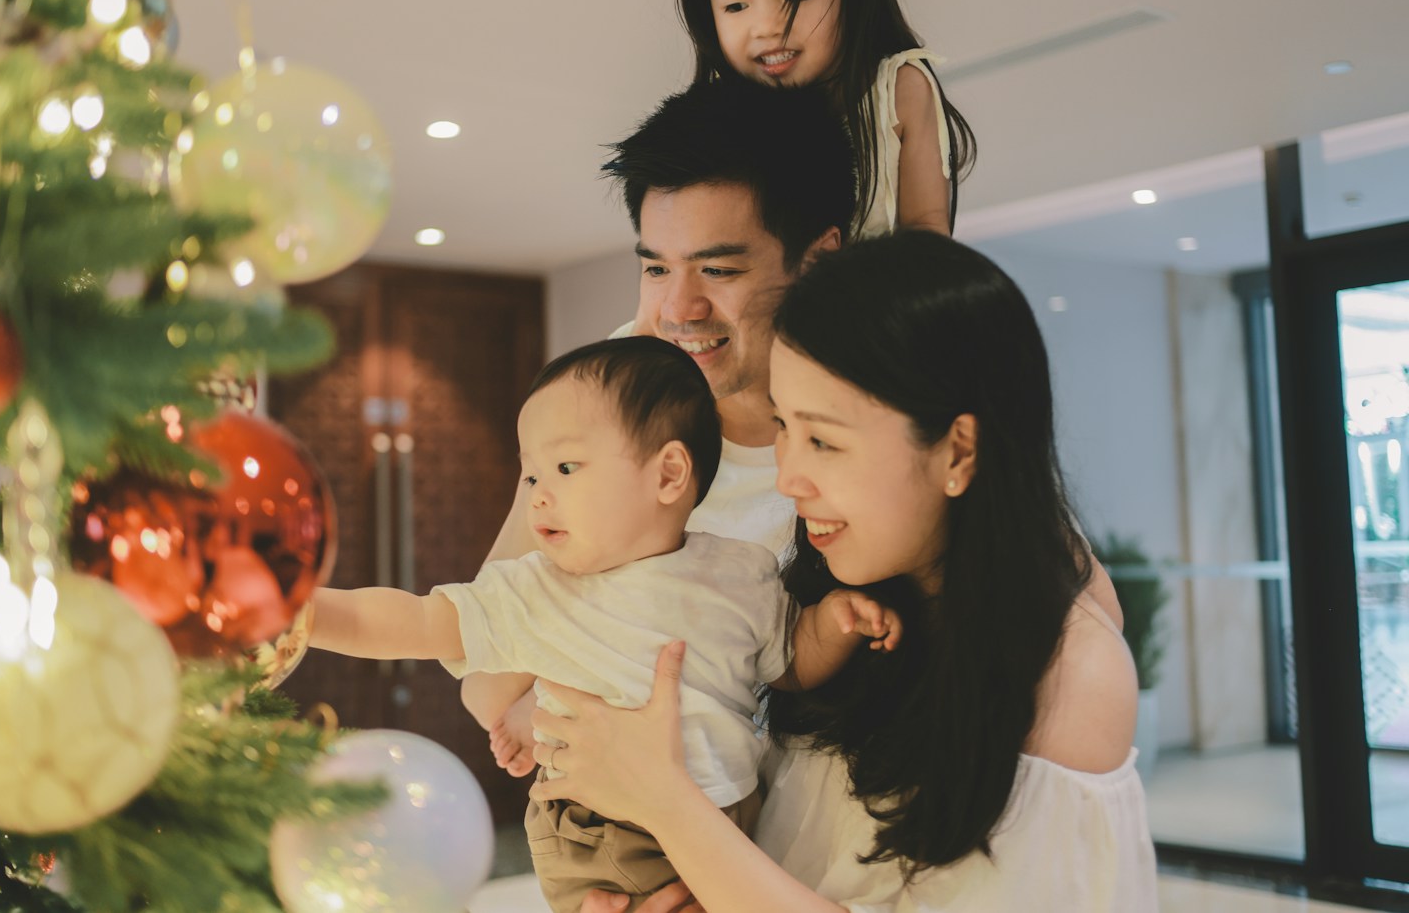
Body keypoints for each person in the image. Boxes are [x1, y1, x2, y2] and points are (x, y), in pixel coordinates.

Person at [532, 233, 1158, 912]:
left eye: (824, 440)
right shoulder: (842, 608)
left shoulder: (1068, 670)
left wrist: (666, 802)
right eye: (783, 427)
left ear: (958, 449)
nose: (790, 476)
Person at [309, 335, 897, 913]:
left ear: (669, 475)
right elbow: (411, 619)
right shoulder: (541, 587)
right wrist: (300, 612)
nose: (538, 496)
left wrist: (833, 624)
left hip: (729, 815)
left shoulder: (739, 571)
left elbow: (790, 660)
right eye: (532, 475)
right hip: (607, 836)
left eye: (564, 467)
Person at [463, 80, 861, 777]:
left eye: (717, 269)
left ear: (819, 259)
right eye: (655, 267)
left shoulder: (867, 428)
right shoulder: (620, 392)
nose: (680, 309)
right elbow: (486, 677)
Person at [677, 0, 976, 237]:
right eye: (736, 6)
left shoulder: (899, 92)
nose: (768, 28)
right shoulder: (717, 118)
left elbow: (927, 236)